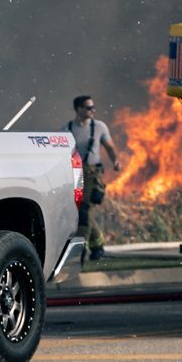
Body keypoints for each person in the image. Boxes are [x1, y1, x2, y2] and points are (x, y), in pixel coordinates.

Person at [64, 94, 121, 262]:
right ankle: (98, 245)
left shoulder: (99, 127)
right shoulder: (67, 129)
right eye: (88, 108)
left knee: (84, 210)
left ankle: (82, 248)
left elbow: (109, 146)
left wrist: (115, 161)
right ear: (78, 109)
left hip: (92, 174)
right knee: (81, 210)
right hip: (75, 172)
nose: (92, 111)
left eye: (93, 107)